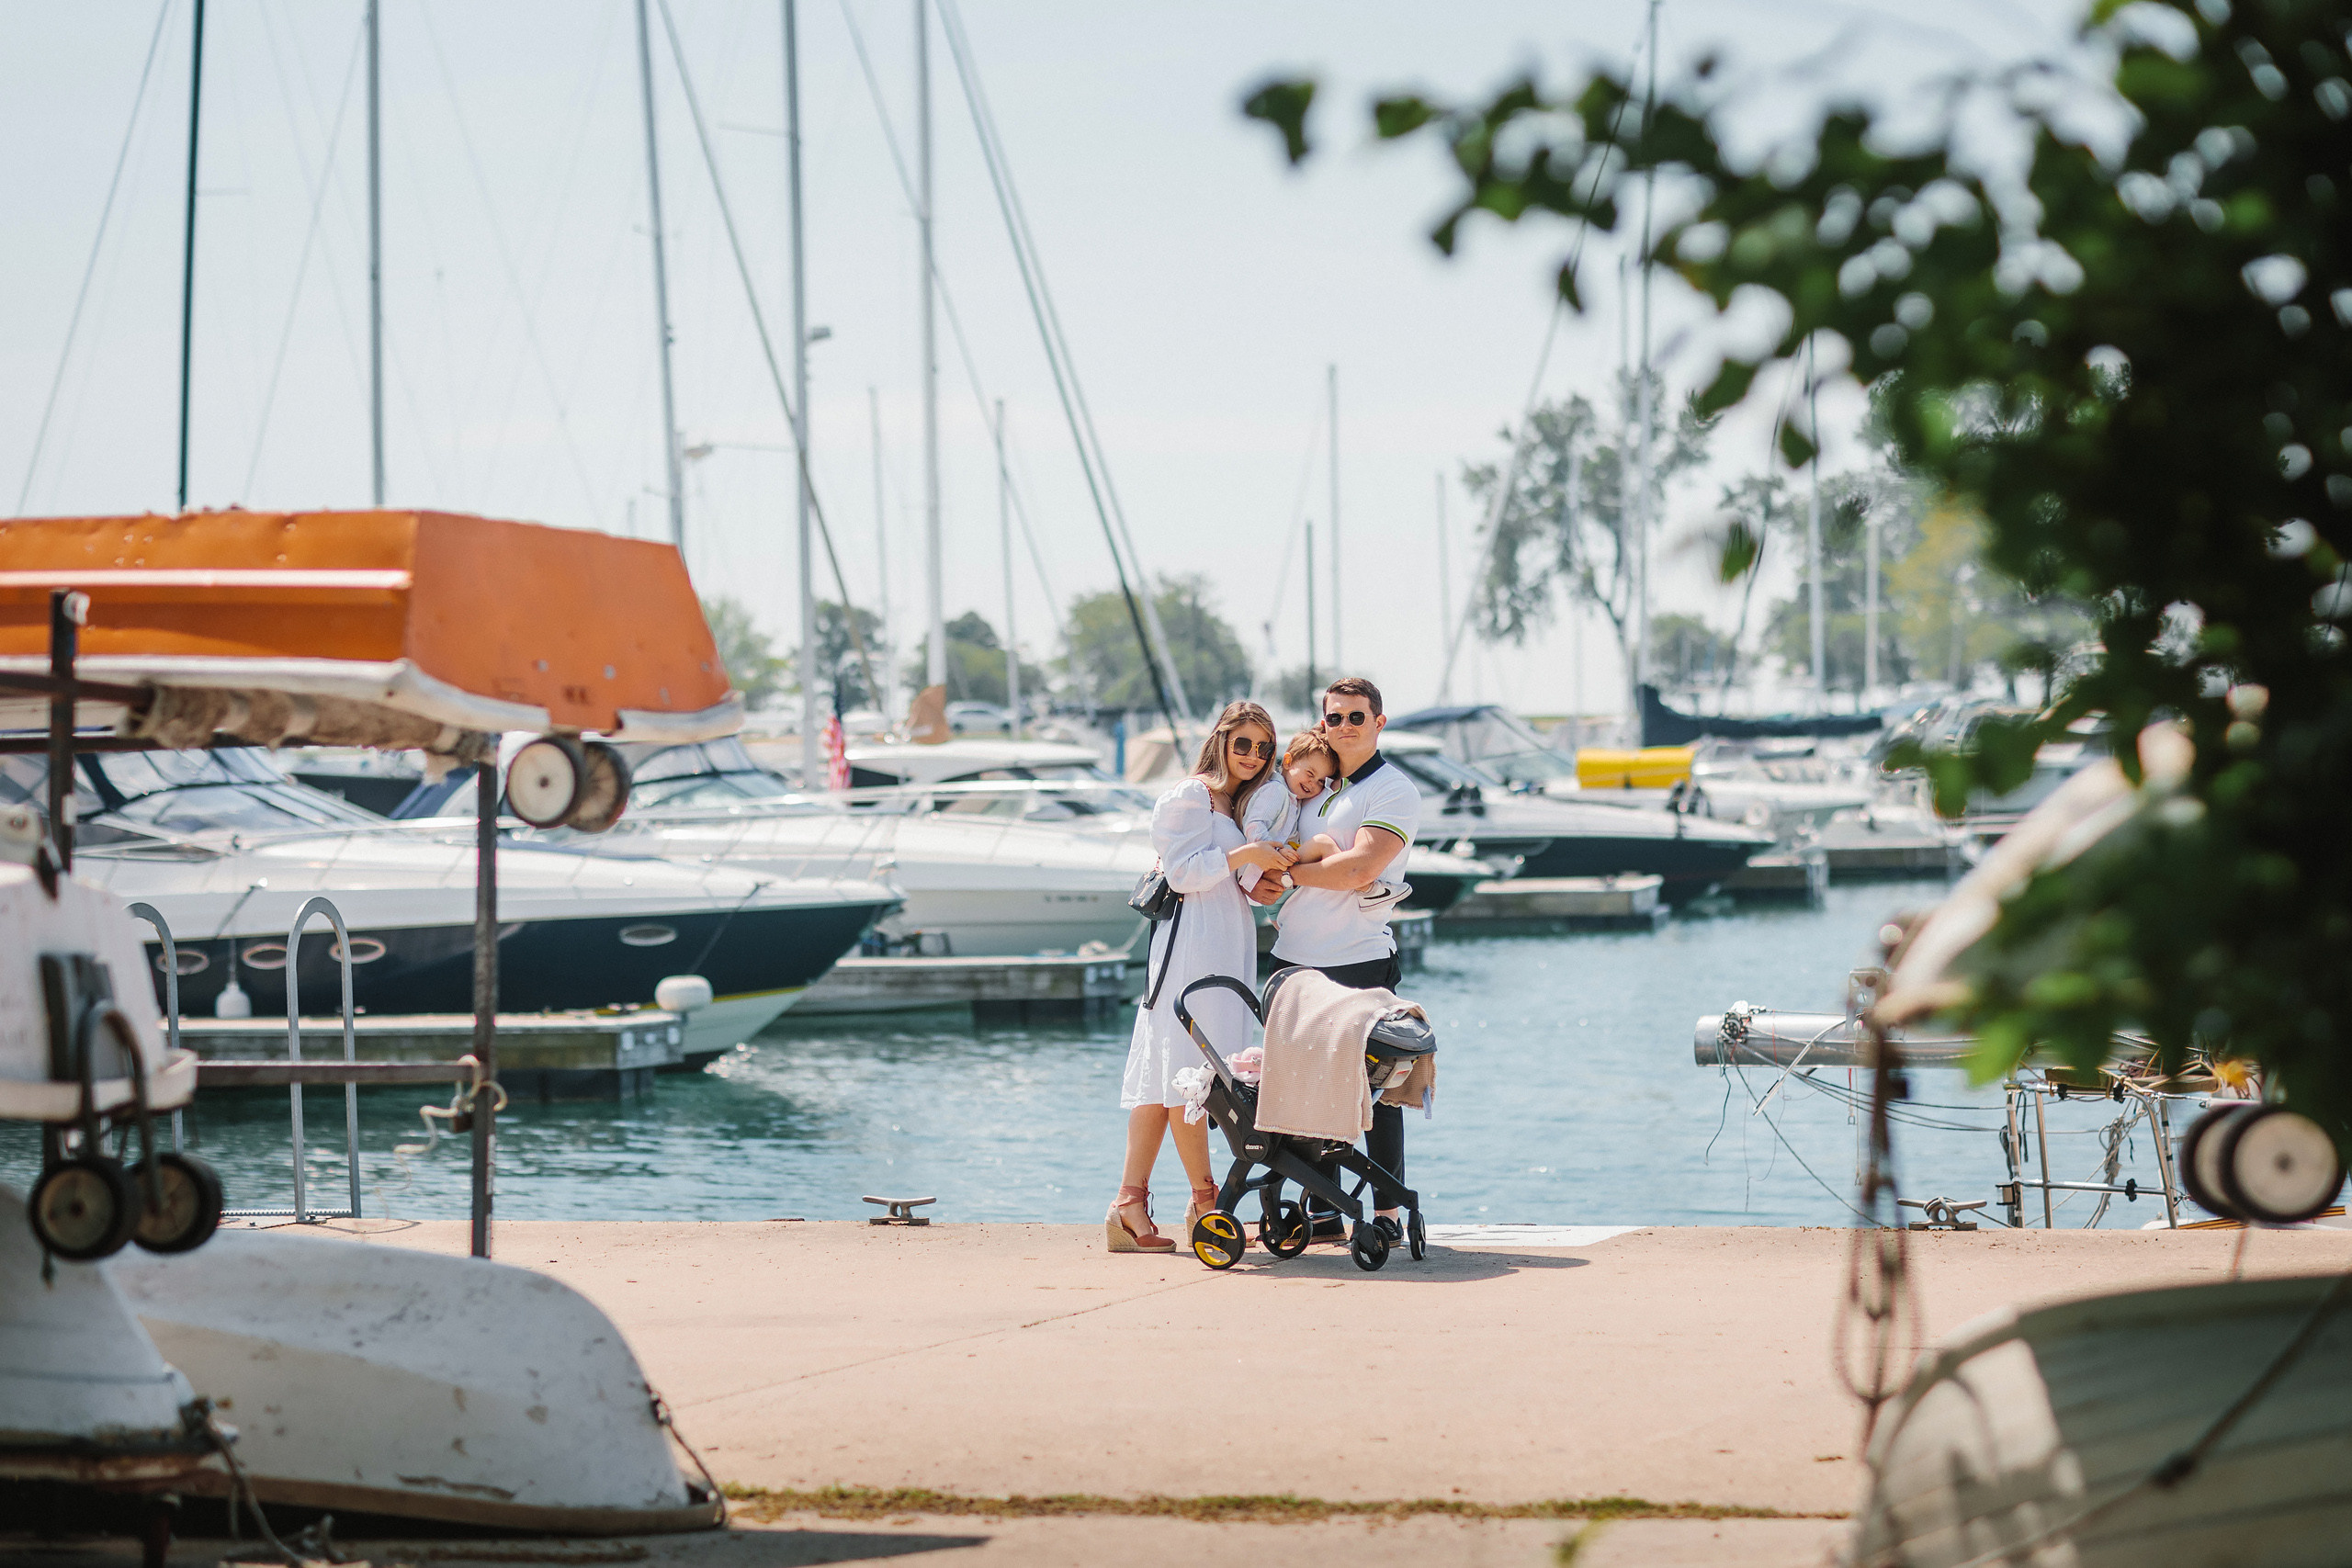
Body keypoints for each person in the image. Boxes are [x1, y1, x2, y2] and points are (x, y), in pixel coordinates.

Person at [1110, 700, 1295, 1252]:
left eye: (1263, 748)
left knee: (1165, 1075)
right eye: (1243, 744)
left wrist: (1263, 877)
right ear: (1219, 741)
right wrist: (1246, 854)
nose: (1253, 756)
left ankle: (1129, 1203)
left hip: (1224, 940)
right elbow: (1184, 871)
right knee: (1191, 1073)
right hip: (1189, 944)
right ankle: (1206, 1200)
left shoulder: (1238, 806)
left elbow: (1229, 876)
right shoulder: (1189, 796)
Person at [1249, 675, 1421, 1241]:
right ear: (1321, 724)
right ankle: (1322, 1209)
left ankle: (1388, 1212)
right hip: (1294, 960)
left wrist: (1290, 875)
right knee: (1302, 1086)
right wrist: (1265, 877)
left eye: (1356, 716)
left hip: (1359, 961)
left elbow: (1359, 870)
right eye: (1334, 717)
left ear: (1379, 722)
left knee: (1379, 1091)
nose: (1343, 726)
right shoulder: (1313, 786)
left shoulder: (1392, 789)